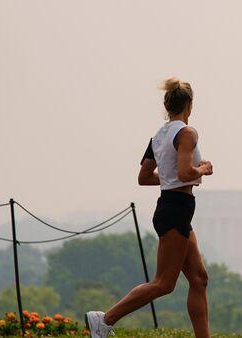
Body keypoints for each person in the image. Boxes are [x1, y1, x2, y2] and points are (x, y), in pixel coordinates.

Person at [85, 77, 213, 338]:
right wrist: (203, 169)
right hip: (176, 208)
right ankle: (104, 319)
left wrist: (177, 176)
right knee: (164, 283)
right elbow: (185, 171)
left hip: (174, 208)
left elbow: (145, 177)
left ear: (167, 105)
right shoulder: (187, 133)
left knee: (199, 279)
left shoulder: (159, 136)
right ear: (189, 105)